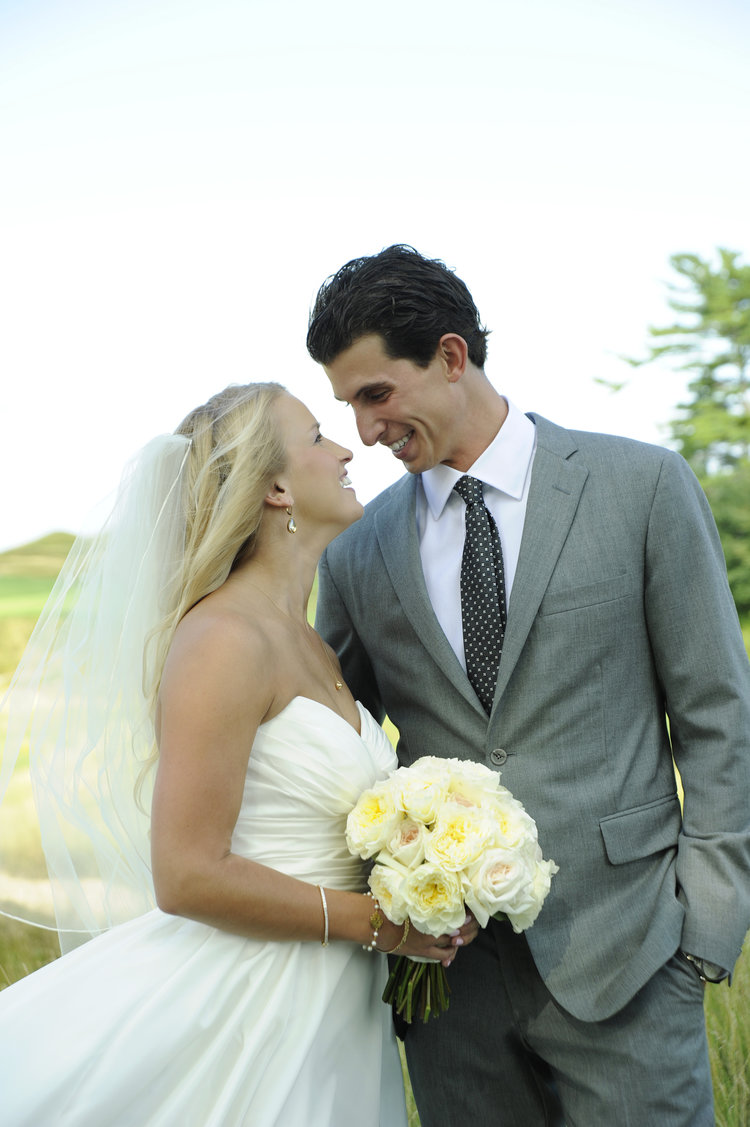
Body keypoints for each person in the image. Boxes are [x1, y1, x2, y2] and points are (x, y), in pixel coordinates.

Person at [306, 245, 750, 1127]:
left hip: (629, 954)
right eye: (347, 406)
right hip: (446, 985)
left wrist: (705, 928)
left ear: (450, 355)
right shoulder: (358, 551)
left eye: (375, 394)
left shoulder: (642, 486)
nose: (363, 432)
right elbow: (333, 740)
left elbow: (717, 716)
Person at [0, 381, 478, 1127]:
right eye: (319, 436)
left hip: (332, 1005)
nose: (347, 447)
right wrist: (381, 923)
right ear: (278, 487)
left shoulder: (306, 638)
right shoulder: (223, 639)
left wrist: (434, 884)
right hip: (250, 1004)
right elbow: (187, 872)